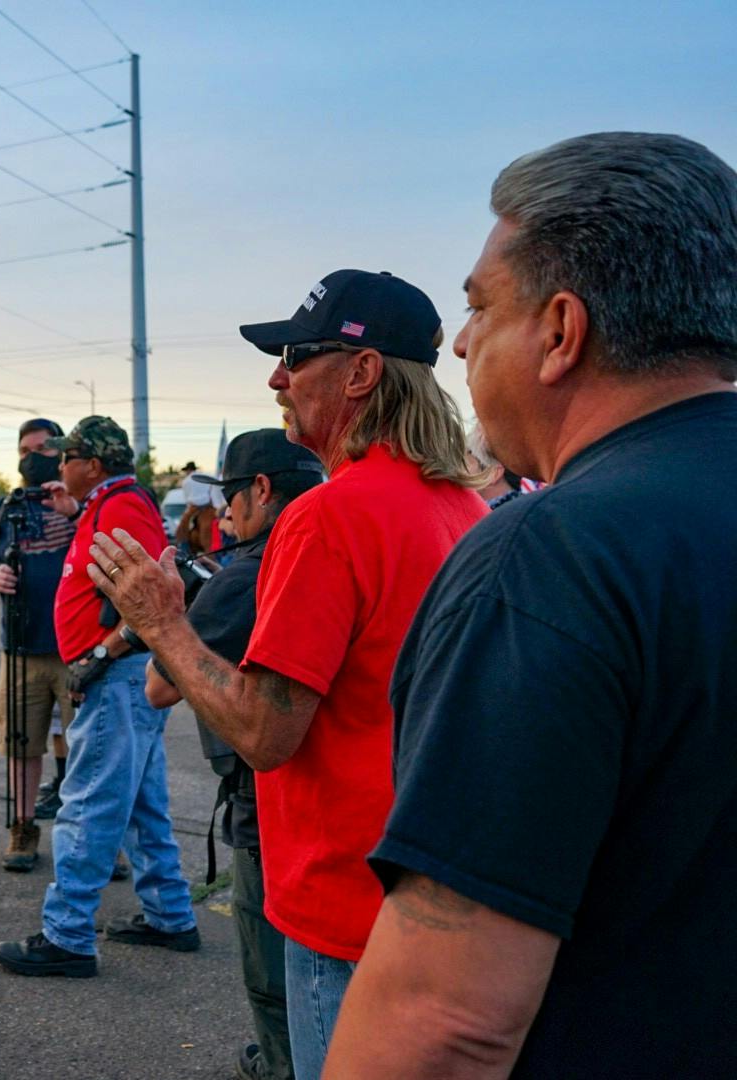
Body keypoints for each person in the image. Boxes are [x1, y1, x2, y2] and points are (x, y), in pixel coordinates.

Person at [324, 133, 737, 1078]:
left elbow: (443, 1020)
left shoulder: (551, 557)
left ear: (560, 331)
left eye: (478, 306)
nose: (463, 340)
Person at [91, 270, 486, 1079]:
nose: (275, 378)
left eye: (292, 356)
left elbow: (265, 732)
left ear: (360, 372)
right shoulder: (463, 506)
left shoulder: (329, 515)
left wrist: (161, 620)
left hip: (343, 909)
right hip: (436, 898)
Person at [146, 429, 323, 1080]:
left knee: (273, 972)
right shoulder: (324, 550)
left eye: (229, 496)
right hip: (346, 800)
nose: (223, 511)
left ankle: (281, 1062)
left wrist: (167, 620)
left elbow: (161, 685)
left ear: (261, 491)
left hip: (266, 805)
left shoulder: (247, 572)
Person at [0, 415, 198, 978]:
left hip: (119, 676)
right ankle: (170, 915)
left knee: (88, 802)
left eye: (68, 458)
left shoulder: (124, 505)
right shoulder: (108, 503)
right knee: (141, 802)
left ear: (94, 464)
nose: (58, 467)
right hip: (125, 677)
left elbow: (154, 597)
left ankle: (68, 935)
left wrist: (101, 655)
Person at [0, 418, 75, 870]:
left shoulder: (79, 505)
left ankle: (96, 838)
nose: (36, 456)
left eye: (45, 448)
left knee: (86, 749)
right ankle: (23, 827)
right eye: (27, 448)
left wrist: (74, 511)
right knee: (21, 745)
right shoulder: (1, 509)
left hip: (78, 649)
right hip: (21, 650)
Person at [465, 419, 522, 509]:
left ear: (494, 473)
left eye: (465, 464)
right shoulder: (530, 509)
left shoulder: (497, 519)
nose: (456, 474)